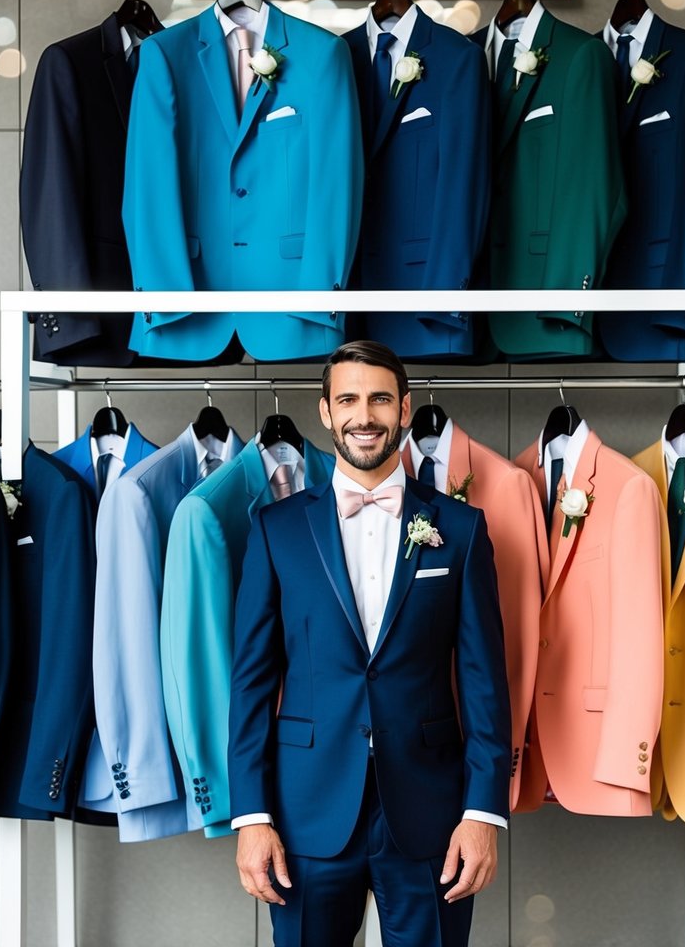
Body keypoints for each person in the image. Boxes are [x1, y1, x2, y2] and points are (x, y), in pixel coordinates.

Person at [228, 340, 511, 947]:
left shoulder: (461, 530)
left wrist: (482, 812)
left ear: (405, 409)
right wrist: (252, 816)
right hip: (307, 812)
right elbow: (251, 683)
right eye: (349, 399)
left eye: (381, 399)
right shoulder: (276, 530)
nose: (365, 415)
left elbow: (487, 682)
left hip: (431, 813)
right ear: (326, 412)